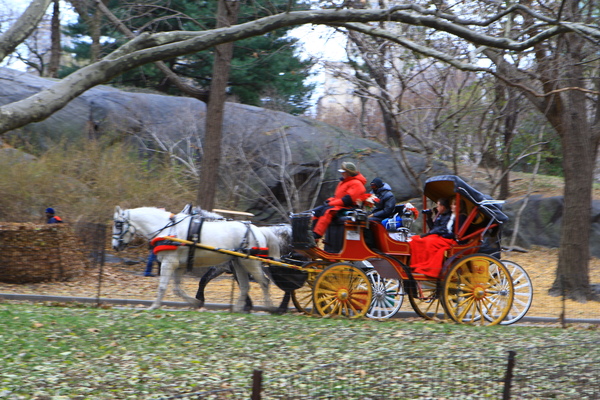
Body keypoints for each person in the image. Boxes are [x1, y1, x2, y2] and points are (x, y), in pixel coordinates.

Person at [408, 197, 464, 278]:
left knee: (429, 242)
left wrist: (443, 235)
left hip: (451, 240)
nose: (452, 206)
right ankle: (417, 263)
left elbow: (455, 233)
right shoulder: (451, 215)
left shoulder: (460, 217)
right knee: (422, 240)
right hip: (444, 237)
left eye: (455, 205)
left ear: (460, 207)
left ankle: (426, 265)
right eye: (452, 204)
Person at [312, 161, 367, 239]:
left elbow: (347, 200)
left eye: (343, 172)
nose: (342, 173)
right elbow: (338, 197)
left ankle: (316, 235)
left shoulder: (357, 183)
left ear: (348, 172)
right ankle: (311, 236)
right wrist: (330, 200)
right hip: (340, 205)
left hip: (349, 207)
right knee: (316, 211)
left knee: (328, 211)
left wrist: (331, 204)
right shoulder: (343, 182)